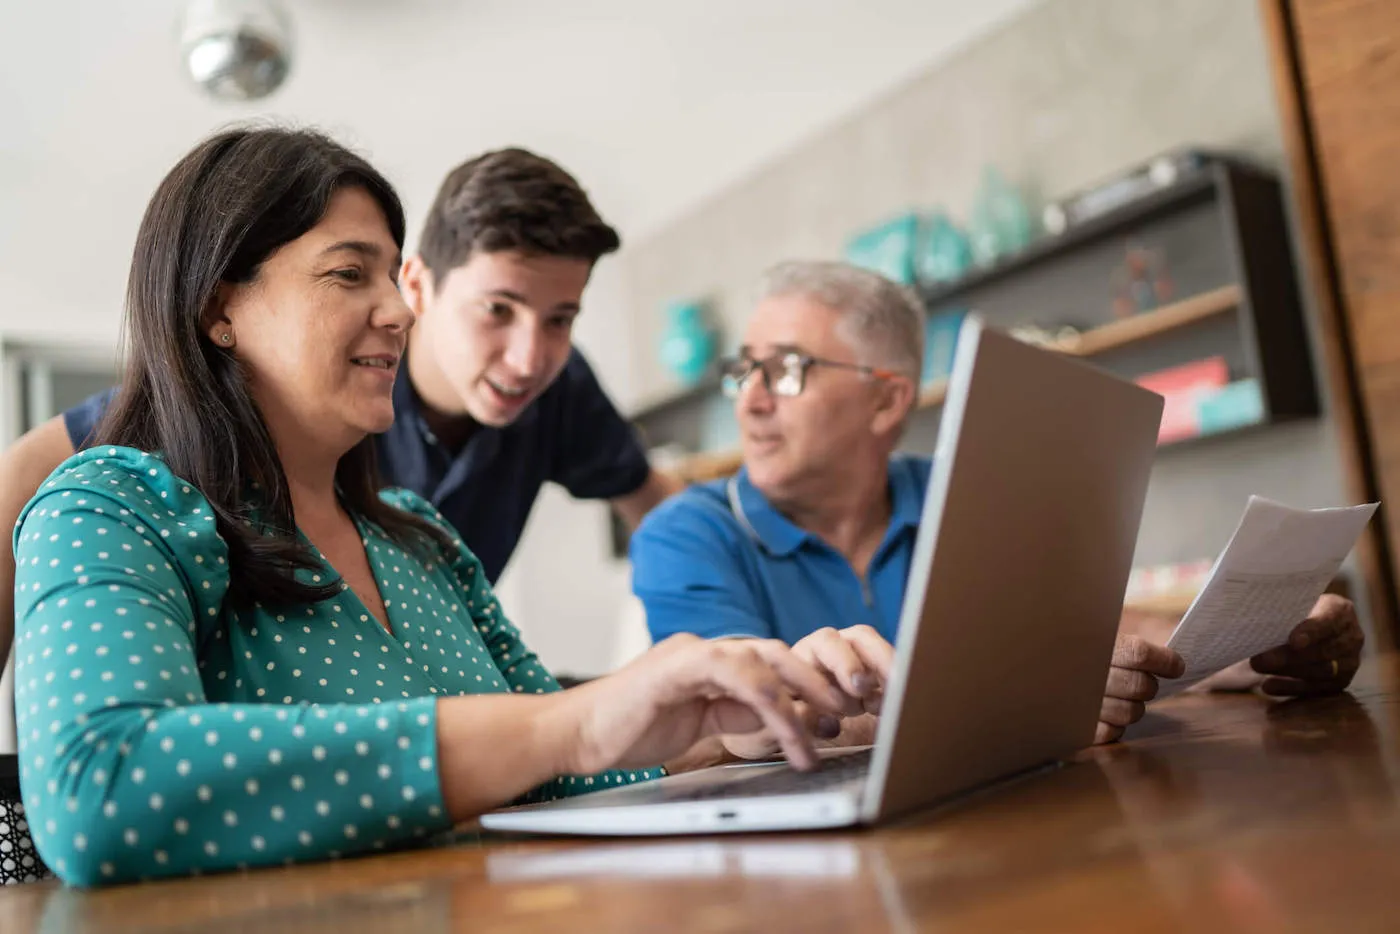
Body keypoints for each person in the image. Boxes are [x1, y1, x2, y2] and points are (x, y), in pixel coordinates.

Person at [11, 128, 885, 886]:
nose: (397, 310)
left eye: (392, 277)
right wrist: (570, 726)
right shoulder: (114, 505)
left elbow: (557, 771)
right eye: (349, 273)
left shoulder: (421, 539)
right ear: (218, 309)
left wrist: (731, 725)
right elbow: (100, 793)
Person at [0, 145, 681, 672]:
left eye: (561, 319)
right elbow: (29, 467)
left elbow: (658, 507)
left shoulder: (557, 399)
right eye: (497, 310)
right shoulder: (127, 486)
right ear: (420, 285)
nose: (530, 358)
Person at [629, 260, 1367, 744]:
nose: (750, 401)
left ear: (887, 402)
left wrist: (1257, 641)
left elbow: (1087, 629)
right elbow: (734, 727)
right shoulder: (682, 534)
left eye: (785, 370)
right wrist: (1028, 697)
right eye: (744, 371)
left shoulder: (963, 486)